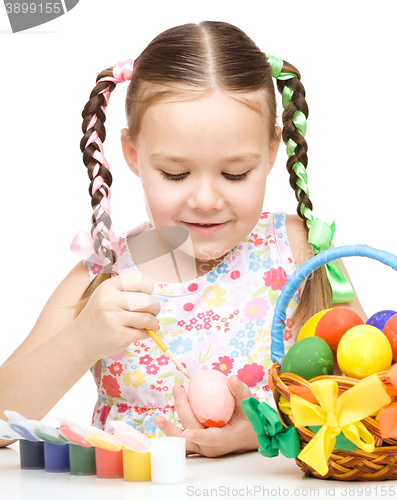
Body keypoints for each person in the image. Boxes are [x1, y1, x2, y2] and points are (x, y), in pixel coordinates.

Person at [0, 21, 365, 456]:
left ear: (271, 153)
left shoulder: (301, 253)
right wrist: (81, 341)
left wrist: (259, 432)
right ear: (133, 155)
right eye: (175, 173)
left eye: (235, 173)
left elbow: (369, 397)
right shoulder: (104, 275)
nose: (206, 199)